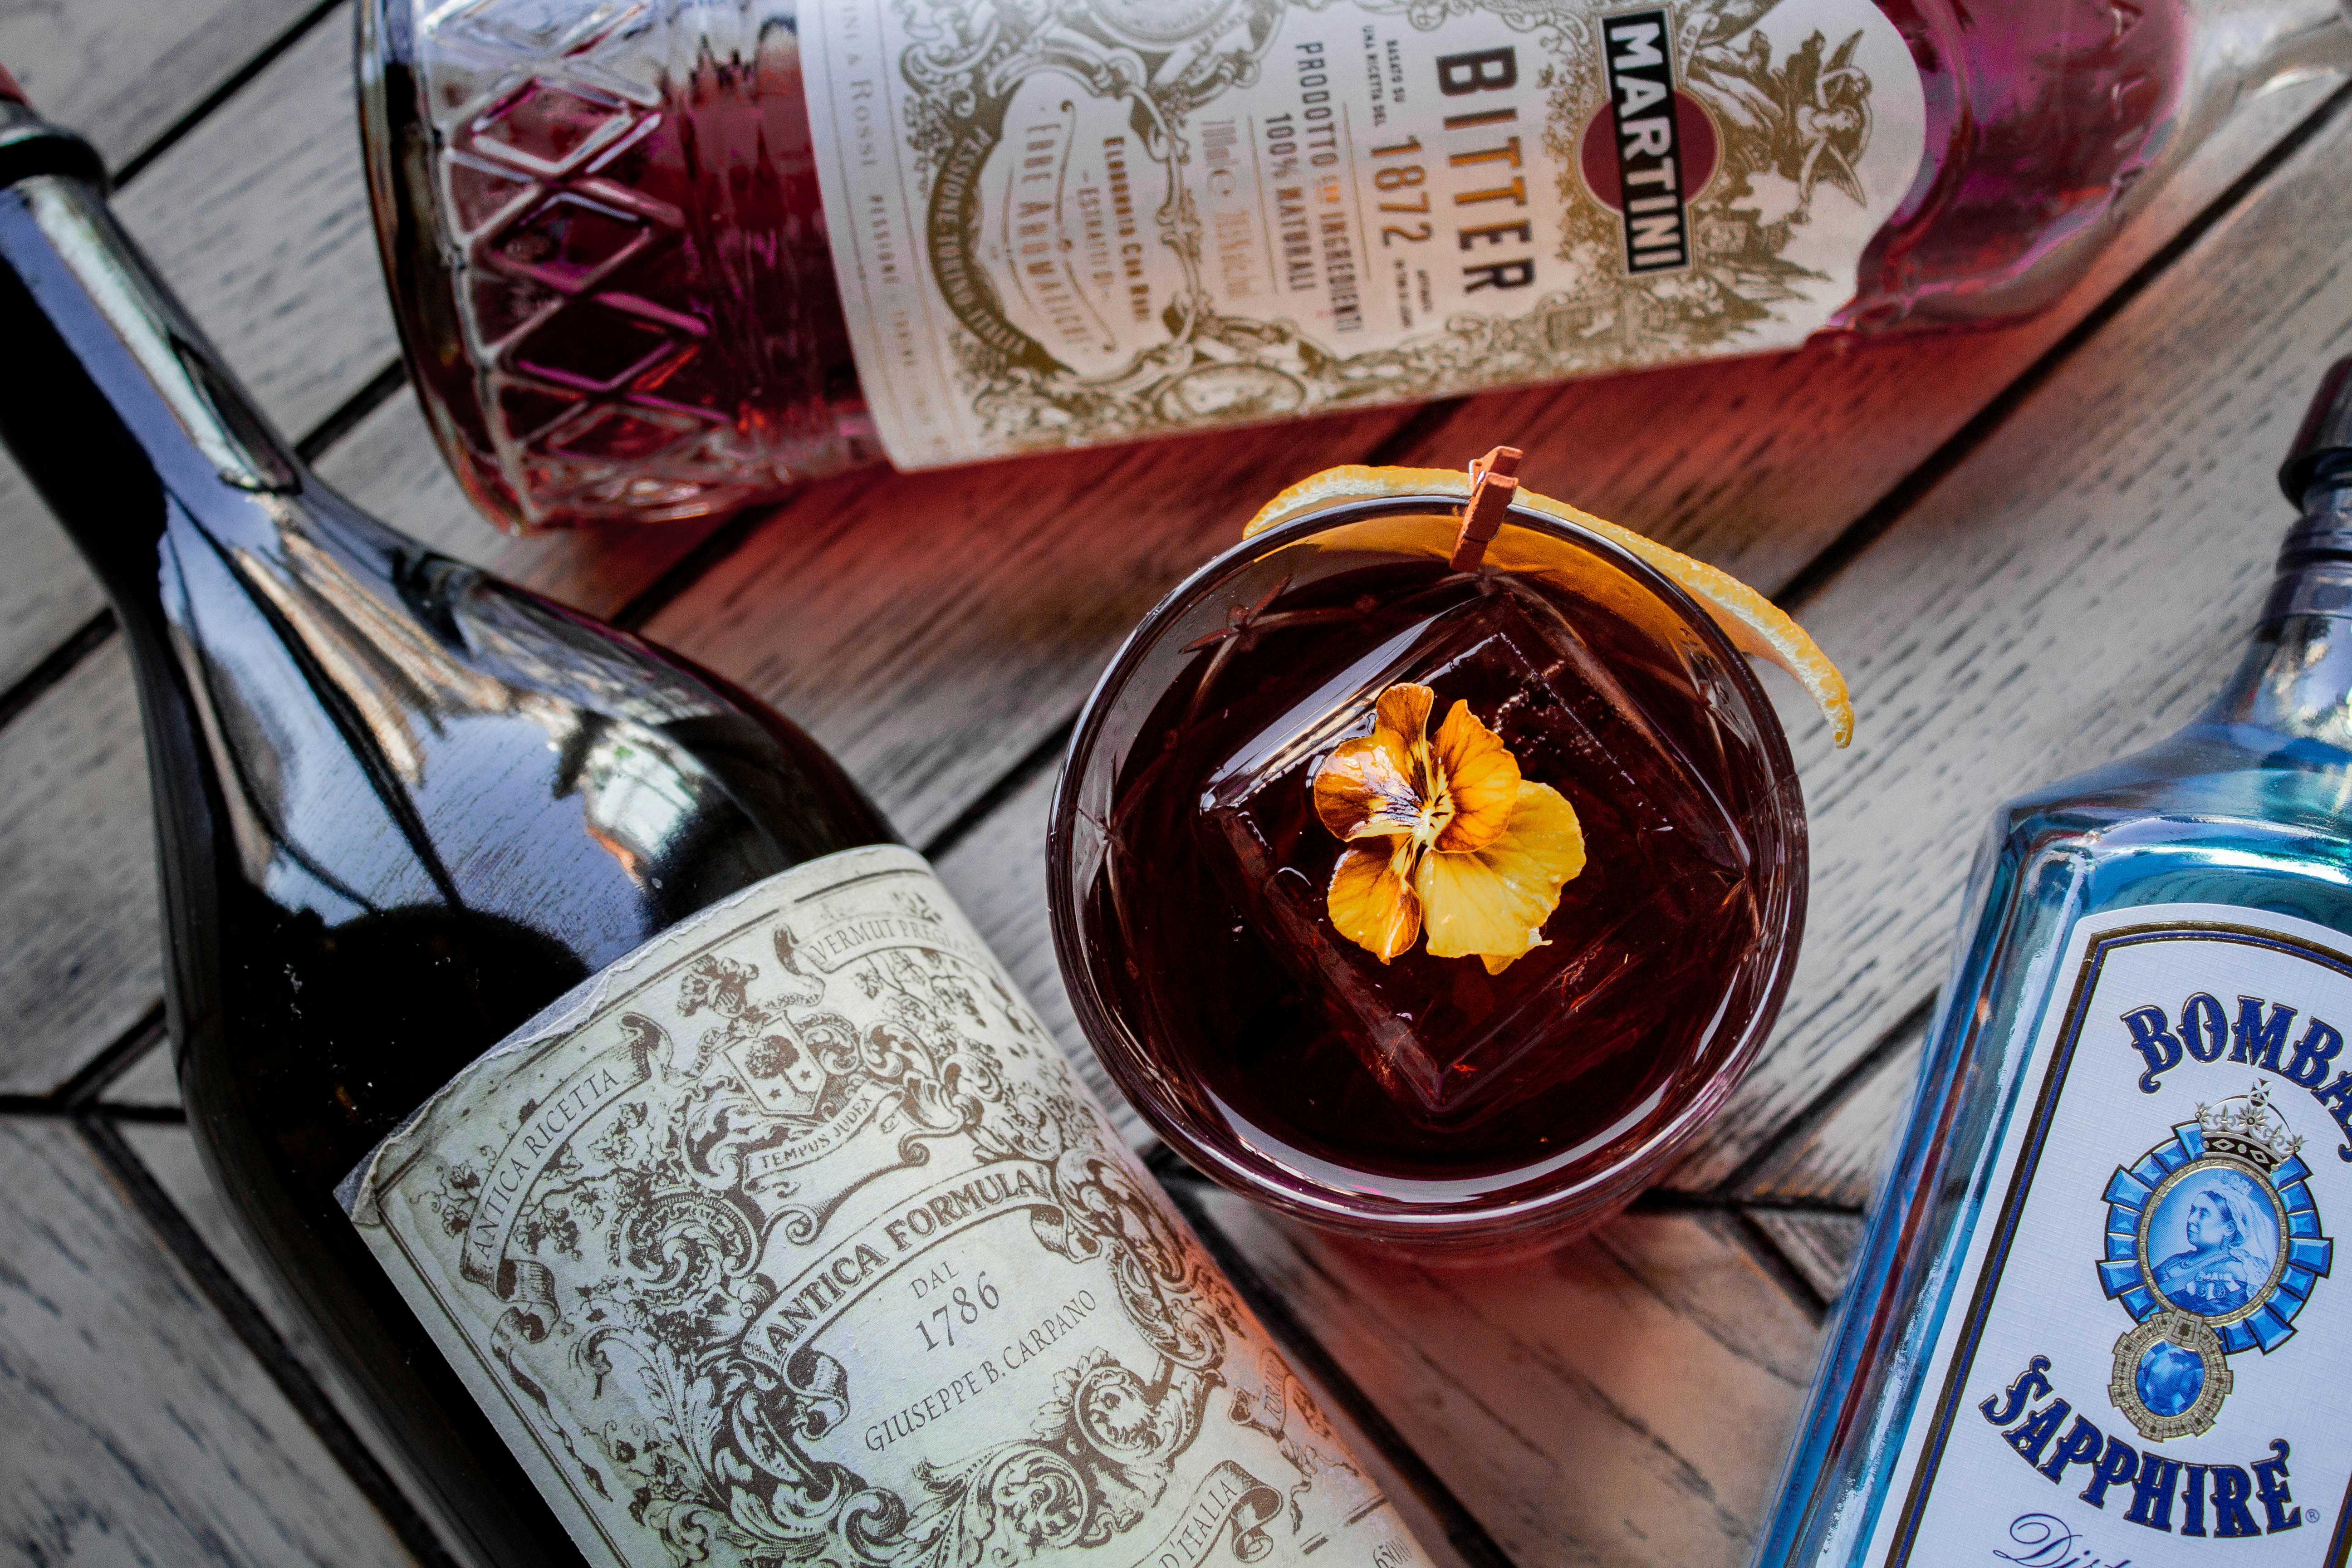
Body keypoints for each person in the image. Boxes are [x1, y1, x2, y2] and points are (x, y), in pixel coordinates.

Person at [2151, 1179, 2273, 1316]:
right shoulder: (2177, 1260)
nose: (2191, 1219)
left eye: (2203, 1214)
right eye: (2193, 1210)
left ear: (2229, 1228)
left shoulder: (2233, 1272)